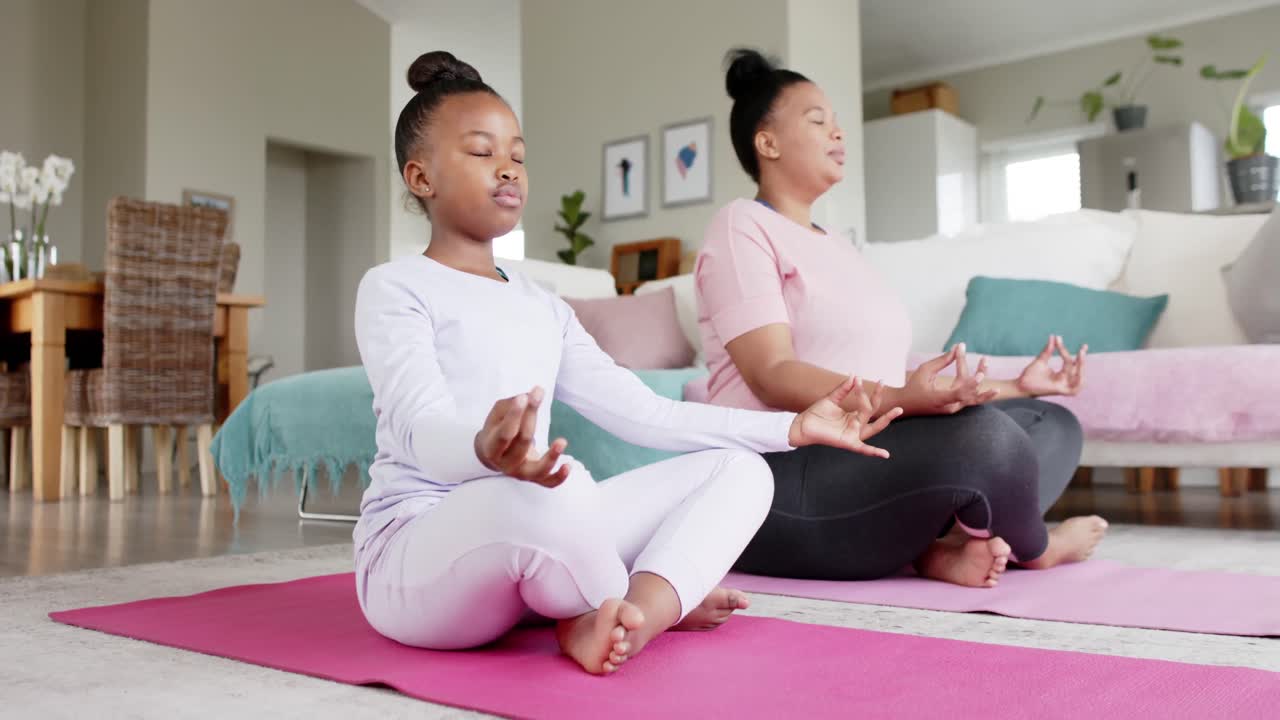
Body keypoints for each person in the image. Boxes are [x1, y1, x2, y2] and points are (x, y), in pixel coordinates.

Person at [353, 51, 903, 676]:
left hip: (532, 532)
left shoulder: (543, 306)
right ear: (420, 178)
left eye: (518, 154)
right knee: (553, 494)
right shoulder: (394, 287)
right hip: (418, 560)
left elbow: (645, 413)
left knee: (740, 472)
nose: (507, 168)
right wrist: (484, 449)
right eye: (482, 152)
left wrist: (792, 427)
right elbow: (418, 430)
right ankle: (624, 599)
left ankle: (630, 614)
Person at [695, 48, 1108, 588]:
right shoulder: (741, 225)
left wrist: (1016, 385)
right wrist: (901, 401)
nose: (838, 134)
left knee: (1050, 424)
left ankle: (937, 551)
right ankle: (1038, 546)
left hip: (866, 463)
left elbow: (894, 378)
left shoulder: (840, 247)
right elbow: (771, 374)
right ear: (766, 143)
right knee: (988, 441)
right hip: (777, 484)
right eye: (818, 121)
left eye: (838, 124)